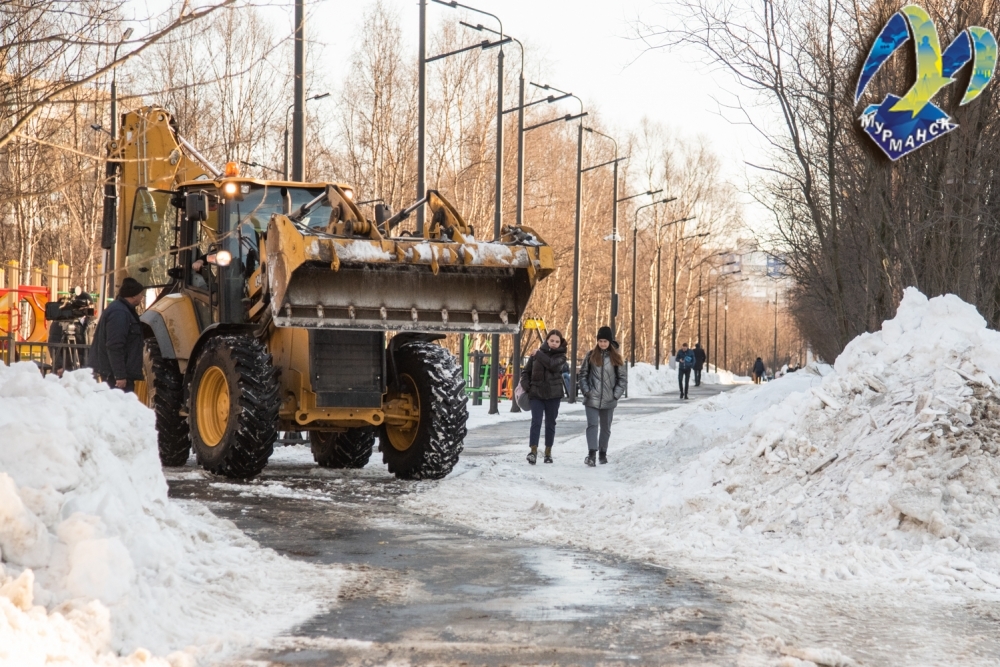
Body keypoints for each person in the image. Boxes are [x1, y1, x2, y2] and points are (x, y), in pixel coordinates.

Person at [579, 326, 627, 467]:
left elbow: (622, 379)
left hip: (608, 399)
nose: (602, 344)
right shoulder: (590, 355)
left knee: (605, 428)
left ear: (610, 341)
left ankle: (602, 453)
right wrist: (587, 391)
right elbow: (583, 375)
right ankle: (592, 454)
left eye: (605, 341)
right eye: (600, 341)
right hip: (591, 398)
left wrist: (615, 395)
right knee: (592, 425)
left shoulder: (616, 357)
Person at [89, 277, 145, 393]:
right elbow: (115, 345)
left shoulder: (121, 310)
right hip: (116, 376)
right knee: (119, 408)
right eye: (141, 294)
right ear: (133, 295)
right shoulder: (120, 313)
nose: (142, 297)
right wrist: (120, 375)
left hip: (116, 373)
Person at [520, 330, 567, 465]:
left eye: (557, 341)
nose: (554, 343)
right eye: (552, 340)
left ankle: (548, 452)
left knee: (550, 423)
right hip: (536, 394)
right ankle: (533, 451)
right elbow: (526, 372)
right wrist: (527, 387)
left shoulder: (561, 356)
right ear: (547, 340)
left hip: (553, 395)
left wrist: (539, 354)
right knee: (536, 421)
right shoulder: (535, 355)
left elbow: (552, 365)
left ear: (560, 343)